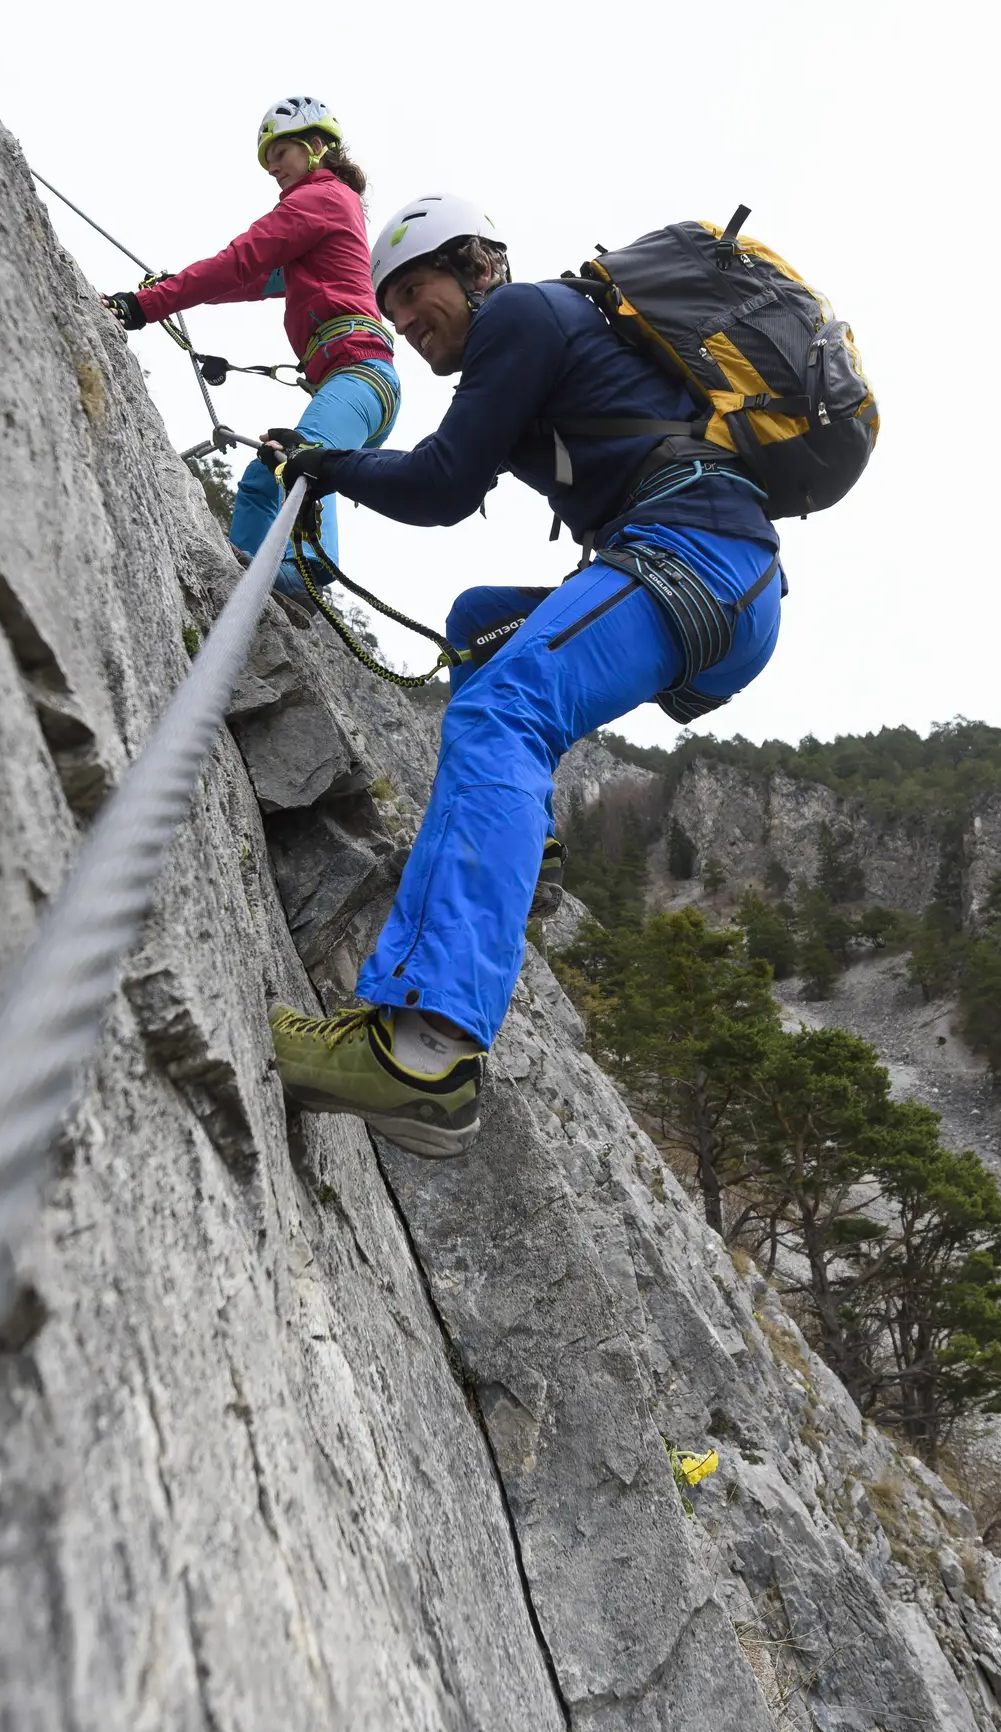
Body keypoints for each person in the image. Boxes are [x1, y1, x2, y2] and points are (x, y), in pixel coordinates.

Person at [260, 194, 786, 1158]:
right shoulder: (533, 337)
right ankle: (523, 842)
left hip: (693, 555)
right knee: (479, 628)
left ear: (474, 267)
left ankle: (424, 1054)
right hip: (721, 577)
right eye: (391, 306)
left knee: (503, 712)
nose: (406, 322)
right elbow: (441, 484)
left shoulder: (521, 314)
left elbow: (443, 484)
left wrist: (327, 466)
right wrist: (346, 467)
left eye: (416, 291)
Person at [107, 97, 398, 587]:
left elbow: (239, 261)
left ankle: (305, 572)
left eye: (280, 152)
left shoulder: (321, 198)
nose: (273, 168)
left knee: (300, 470)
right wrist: (173, 286)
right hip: (353, 384)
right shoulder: (329, 212)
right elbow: (255, 280)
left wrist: (143, 305)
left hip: (358, 375)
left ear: (317, 146)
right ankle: (239, 570)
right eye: (268, 161)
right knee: (262, 480)